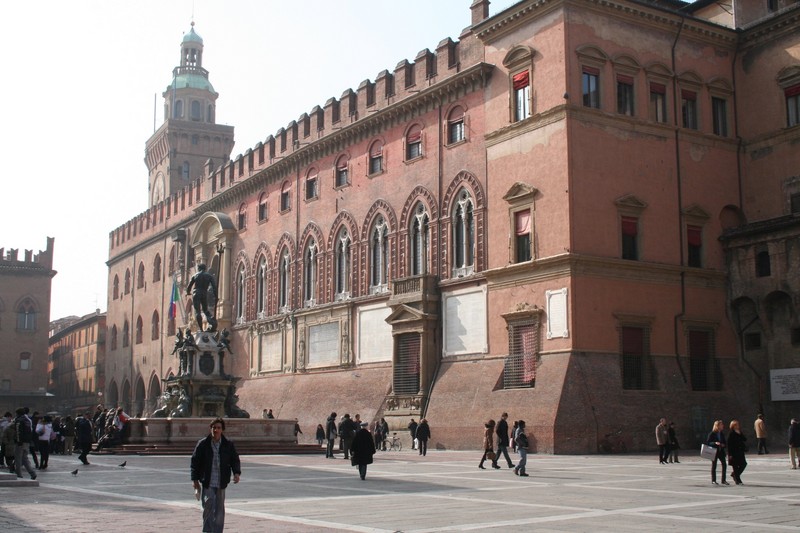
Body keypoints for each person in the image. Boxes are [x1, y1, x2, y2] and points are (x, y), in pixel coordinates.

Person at [191, 418, 241, 533]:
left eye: (218, 428)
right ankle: (207, 531)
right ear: (211, 429)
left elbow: (234, 459)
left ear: (222, 430)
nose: (216, 430)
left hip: (221, 480)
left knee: (219, 509)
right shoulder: (203, 444)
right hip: (208, 480)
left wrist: (236, 472)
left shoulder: (228, 445)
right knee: (208, 503)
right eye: (214, 428)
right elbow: (195, 462)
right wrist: (195, 480)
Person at [186, 263, 219, 332]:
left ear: (199, 268)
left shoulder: (195, 275)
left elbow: (189, 287)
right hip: (204, 293)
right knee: (206, 310)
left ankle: (201, 329)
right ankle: (211, 321)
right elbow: (214, 287)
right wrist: (216, 296)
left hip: (196, 293)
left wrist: (188, 292)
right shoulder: (209, 276)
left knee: (197, 311)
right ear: (205, 269)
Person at [13, 408, 36, 480]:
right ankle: (32, 473)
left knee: (18, 459)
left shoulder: (19, 421)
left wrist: (18, 441)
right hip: (27, 442)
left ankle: (18, 474)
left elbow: (18, 432)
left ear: (18, 413)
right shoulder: (28, 420)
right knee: (25, 458)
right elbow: (30, 431)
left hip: (20, 442)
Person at [707, 419, 729, 485]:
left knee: (724, 464)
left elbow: (725, 442)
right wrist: (715, 443)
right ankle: (713, 480)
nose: (723, 426)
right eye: (721, 425)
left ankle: (723, 480)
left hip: (721, 451)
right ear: (717, 426)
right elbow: (708, 442)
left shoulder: (721, 433)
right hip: (714, 451)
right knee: (714, 465)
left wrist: (723, 444)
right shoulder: (712, 433)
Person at [727, 419, 747, 485]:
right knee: (735, 467)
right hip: (734, 453)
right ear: (733, 426)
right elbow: (729, 444)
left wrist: (740, 433)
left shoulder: (739, 432)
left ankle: (734, 474)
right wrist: (730, 454)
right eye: (736, 425)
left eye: (738, 424)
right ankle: (738, 480)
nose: (738, 426)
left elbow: (744, 439)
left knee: (744, 464)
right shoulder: (731, 434)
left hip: (740, 452)